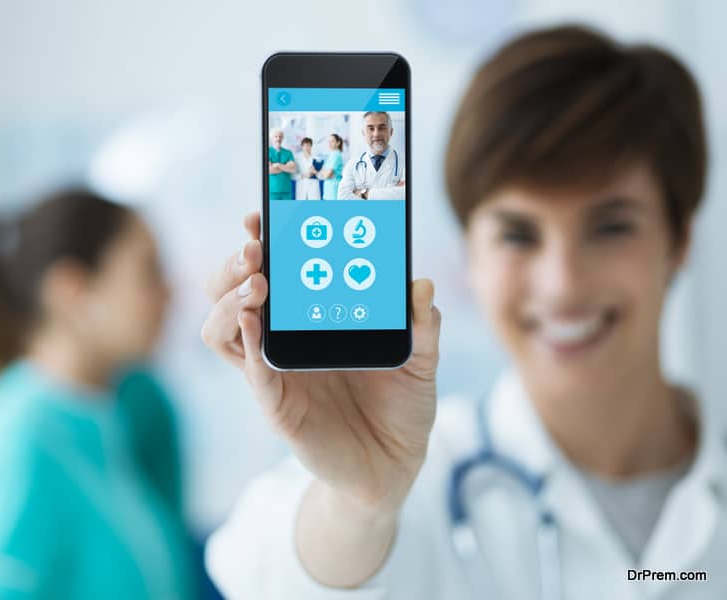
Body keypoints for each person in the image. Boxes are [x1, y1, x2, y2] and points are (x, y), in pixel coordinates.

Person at [199, 25, 727, 599]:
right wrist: (361, 502)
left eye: (611, 227)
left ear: (679, 239)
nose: (562, 284)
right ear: (470, 256)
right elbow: (261, 573)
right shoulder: (414, 473)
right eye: (518, 235)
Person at [0, 189, 195, 599]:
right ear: (71, 290)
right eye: (148, 271)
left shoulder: (116, 414)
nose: (170, 291)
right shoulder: (12, 436)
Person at [338, 111, 405, 200]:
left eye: (382, 128)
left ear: (391, 132)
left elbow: (407, 194)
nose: (376, 134)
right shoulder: (352, 164)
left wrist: (365, 193)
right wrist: (391, 194)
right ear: (363, 133)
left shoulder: (405, 163)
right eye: (371, 128)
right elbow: (343, 197)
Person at [268, 128, 296, 200]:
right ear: (271, 138)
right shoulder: (267, 152)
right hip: (272, 191)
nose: (278, 139)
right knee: (273, 211)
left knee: (288, 211)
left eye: (280, 136)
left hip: (286, 190)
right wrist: (286, 167)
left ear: (283, 138)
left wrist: (278, 165)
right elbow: (269, 170)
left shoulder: (288, 152)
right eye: (276, 136)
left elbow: (293, 169)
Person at [319, 133, 344, 200]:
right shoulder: (331, 155)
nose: (329, 143)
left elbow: (326, 175)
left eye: (332, 141)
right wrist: (324, 173)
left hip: (333, 190)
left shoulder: (336, 155)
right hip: (328, 190)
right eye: (328, 141)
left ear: (338, 143)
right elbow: (323, 172)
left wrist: (324, 173)